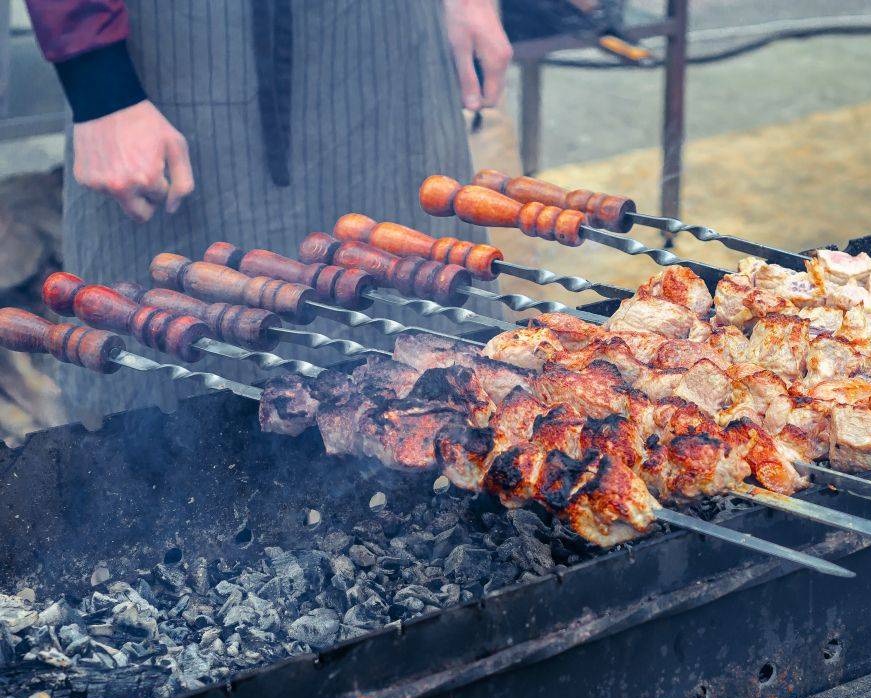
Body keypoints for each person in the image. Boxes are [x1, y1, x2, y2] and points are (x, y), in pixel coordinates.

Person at [25, 0, 513, 423]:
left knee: (447, 383)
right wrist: (100, 87)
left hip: (389, 35)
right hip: (177, 42)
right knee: (161, 417)